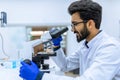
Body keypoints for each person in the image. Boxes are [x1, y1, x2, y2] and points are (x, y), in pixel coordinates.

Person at [19, 0, 120, 80]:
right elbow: (65, 65)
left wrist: (40, 77)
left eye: (75, 24)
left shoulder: (110, 48)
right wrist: (57, 47)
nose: (72, 29)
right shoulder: (86, 46)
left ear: (90, 24)